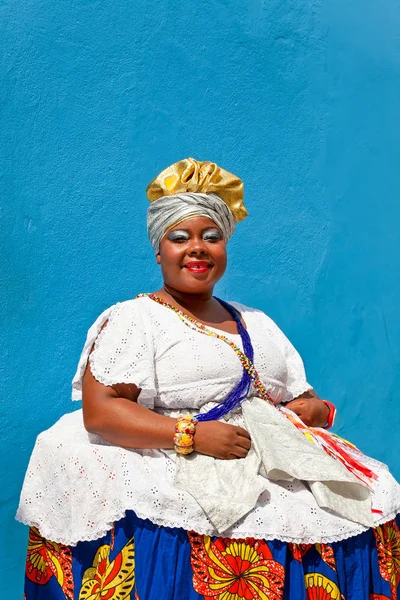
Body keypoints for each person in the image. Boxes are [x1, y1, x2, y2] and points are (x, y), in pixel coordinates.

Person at [18, 158, 400, 600]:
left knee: (371, 501)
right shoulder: (135, 319)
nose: (197, 248)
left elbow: (301, 394)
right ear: (158, 250)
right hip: (177, 459)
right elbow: (100, 411)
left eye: (211, 237)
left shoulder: (256, 321)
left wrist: (316, 409)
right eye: (179, 238)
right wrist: (192, 436)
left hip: (268, 455)